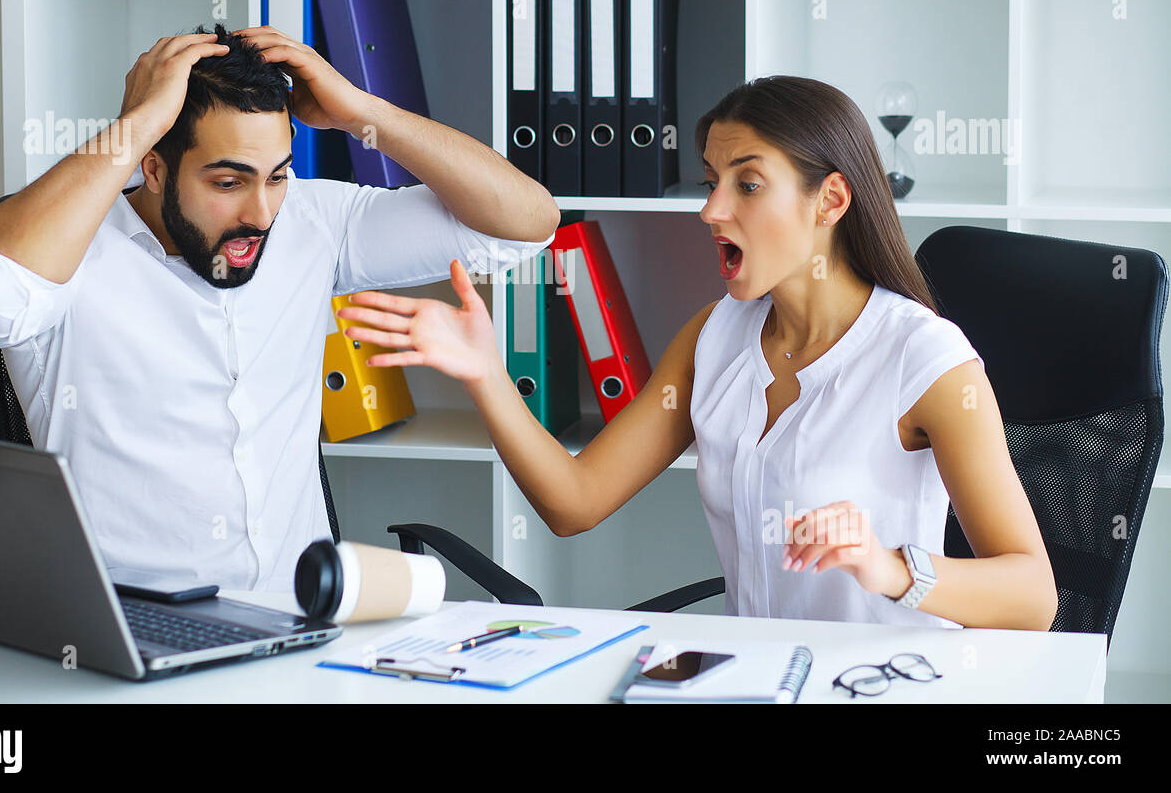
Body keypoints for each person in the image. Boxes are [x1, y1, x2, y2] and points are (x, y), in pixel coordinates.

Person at [337, 75, 1058, 631]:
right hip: (757, 683)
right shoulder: (716, 336)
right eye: (712, 184)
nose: (711, 210)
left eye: (747, 184)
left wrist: (891, 568)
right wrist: (486, 375)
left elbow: (1035, 595)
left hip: (888, 684)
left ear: (830, 200)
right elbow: (575, 503)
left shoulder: (923, 359)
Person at [0, 24, 559, 592]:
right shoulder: (63, 253)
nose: (260, 215)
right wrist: (137, 120)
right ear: (151, 166)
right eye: (227, 183)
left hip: (300, 626)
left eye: (278, 176)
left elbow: (524, 226)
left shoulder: (314, 222)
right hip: (126, 628)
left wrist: (360, 112)